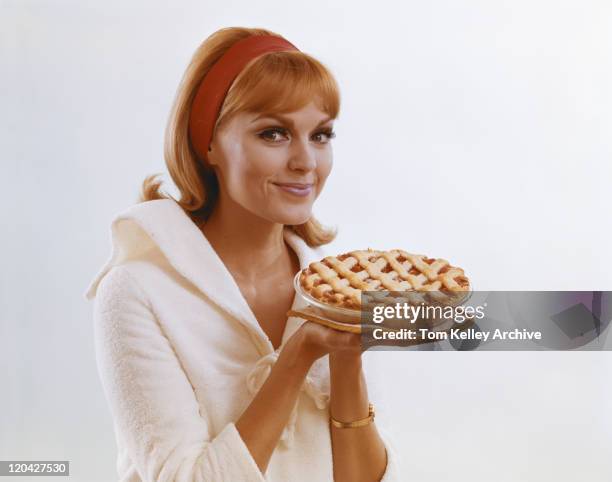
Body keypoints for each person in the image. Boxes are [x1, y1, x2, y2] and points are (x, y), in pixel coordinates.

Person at [84, 26, 401, 481]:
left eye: (321, 135)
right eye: (274, 134)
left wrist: (346, 356)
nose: (306, 162)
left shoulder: (332, 286)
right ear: (207, 142)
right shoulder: (136, 291)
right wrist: (299, 354)